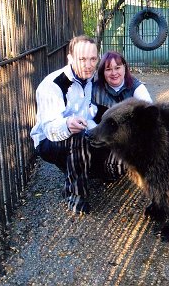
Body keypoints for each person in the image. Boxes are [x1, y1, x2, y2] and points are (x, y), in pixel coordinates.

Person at [30, 35, 121, 216]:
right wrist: (67, 125)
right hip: (48, 141)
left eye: (93, 59)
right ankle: (75, 195)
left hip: (80, 132)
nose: (88, 65)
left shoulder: (89, 79)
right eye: (82, 59)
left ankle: (93, 169)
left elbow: (88, 113)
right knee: (78, 138)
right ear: (70, 58)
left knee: (116, 153)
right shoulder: (53, 85)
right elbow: (49, 128)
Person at [92, 50, 152, 123]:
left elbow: (149, 111)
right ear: (103, 72)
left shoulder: (137, 87)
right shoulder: (94, 89)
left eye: (117, 68)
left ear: (124, 67)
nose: (114, 73)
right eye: (108, 69)